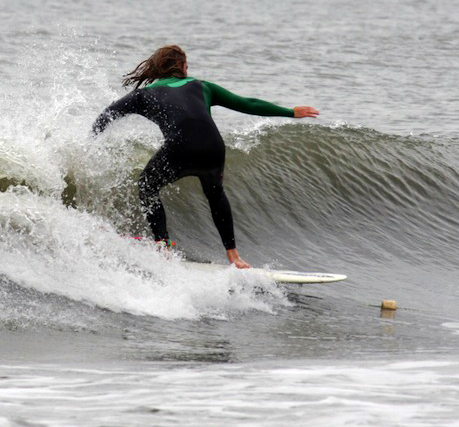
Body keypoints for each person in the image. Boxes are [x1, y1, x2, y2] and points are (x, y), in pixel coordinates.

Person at [91, 45, 319, 268]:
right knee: (215, 193)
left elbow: (106, 115)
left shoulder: (142, 95)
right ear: (182, 66)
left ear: (158, 69)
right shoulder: (202, 86)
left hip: (180, 147)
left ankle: (163, 247)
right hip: (213, 147)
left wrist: (90, 142)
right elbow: (247, 103)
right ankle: (234, 256)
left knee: (147, 186)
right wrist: (290, 112)